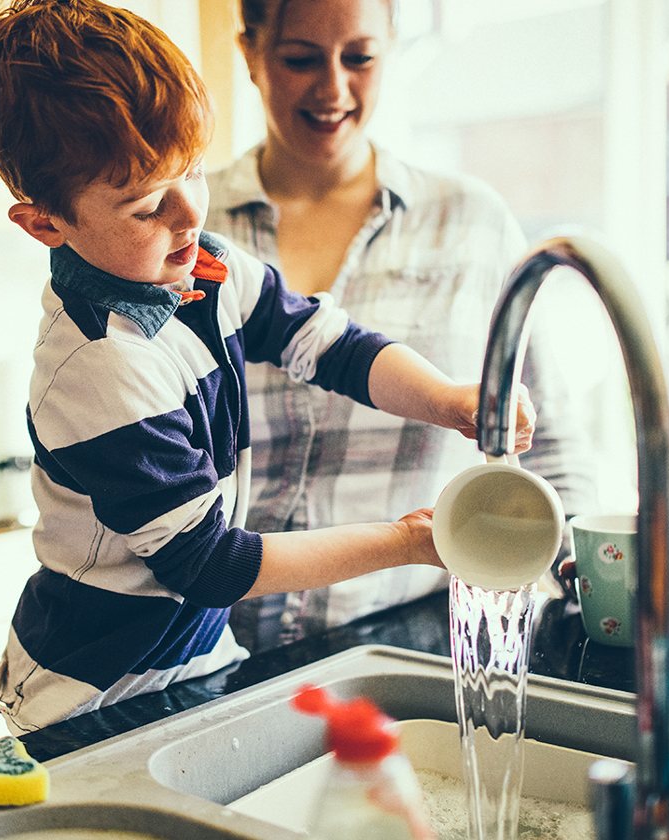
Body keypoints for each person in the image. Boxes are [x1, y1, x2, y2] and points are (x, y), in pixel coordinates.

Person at [0, 0, 536, 735]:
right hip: (94, 699)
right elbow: (211, 566)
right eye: (144, 206)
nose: (187, 215)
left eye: (192, 173)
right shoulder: (100, 366)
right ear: (45, 222)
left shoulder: (205, 267)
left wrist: (451, 399)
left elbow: (332, 344)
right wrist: (411, 543)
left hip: (193, 669)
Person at [205, 0, 599, 652]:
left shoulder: (471, 222)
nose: (333, 89)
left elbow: (548, 445)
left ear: (392, 46)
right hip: (211, 651)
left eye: (359, 57)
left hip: (413, 639)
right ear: (250, 52)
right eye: (299, 58)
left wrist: (583, 572)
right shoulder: (183, 227)